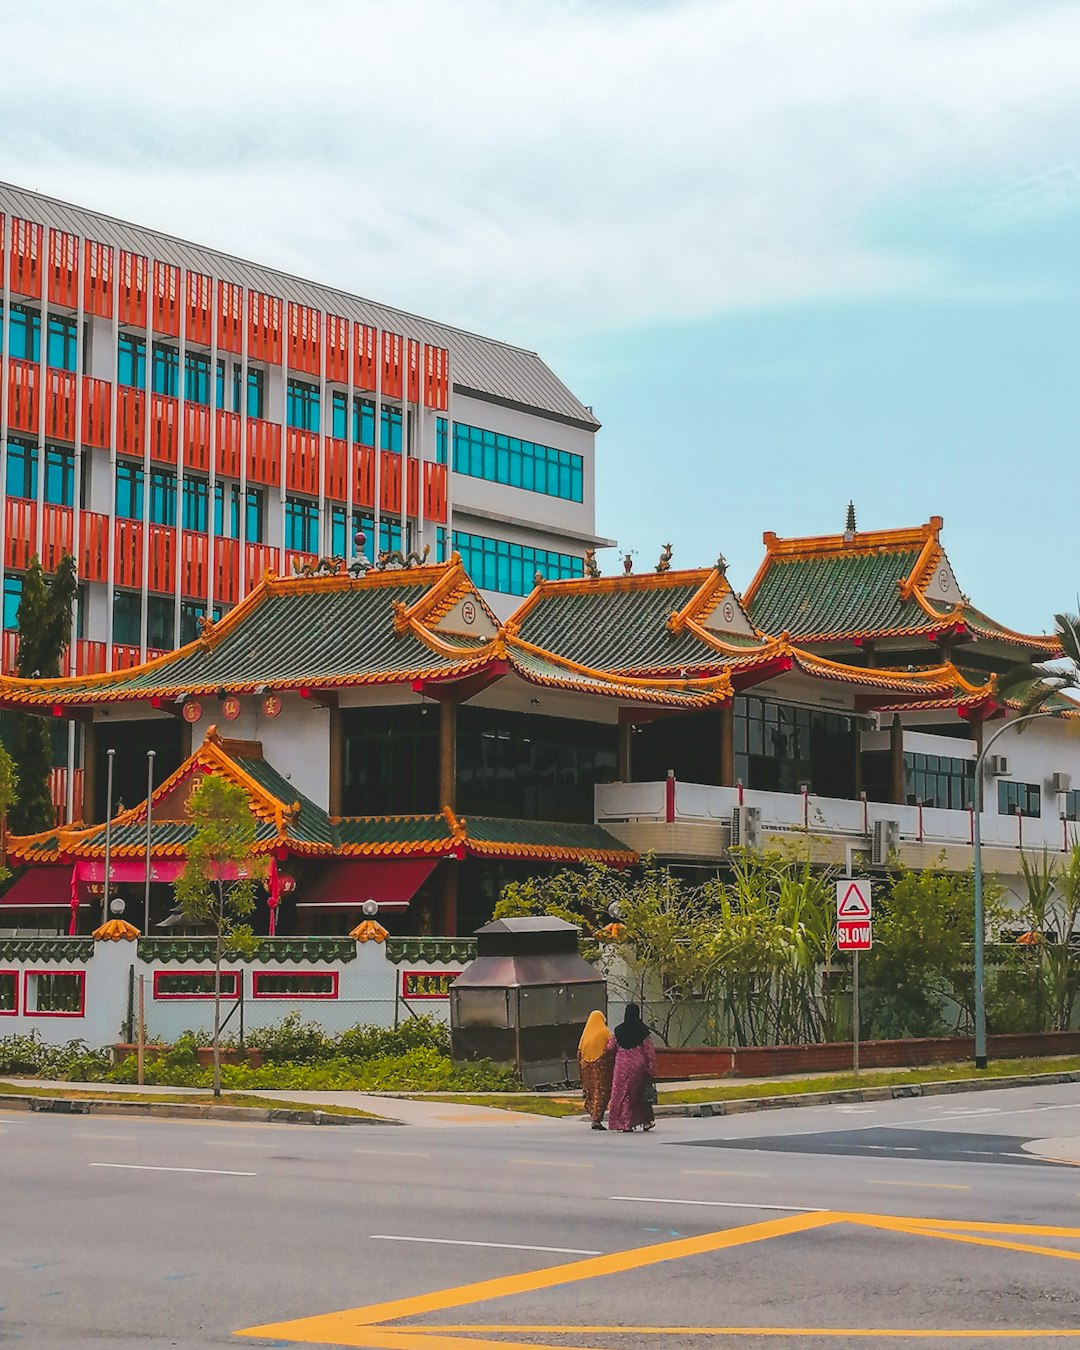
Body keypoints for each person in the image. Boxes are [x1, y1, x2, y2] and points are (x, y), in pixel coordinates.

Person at [607, 1003, 657, 1133]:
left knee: (621, 1093)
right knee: (636, 1095)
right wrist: (651, 1067)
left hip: (621, 1064)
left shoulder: (618, 1030)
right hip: (638, 1066)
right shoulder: (643, 1031)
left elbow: (610, 1048)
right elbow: (649, 1051)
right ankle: (640, 1121)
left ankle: (623, 1123)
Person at [577, 1010, 615, 1130]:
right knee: (601, 1092)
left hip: (586, 1069)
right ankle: (597, 1118)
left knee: (591, 1092)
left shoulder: (585, 1035)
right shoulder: (604, 1032)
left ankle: (593, 1114)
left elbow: (579, 1053)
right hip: (601, 1068)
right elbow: (611, 1048)